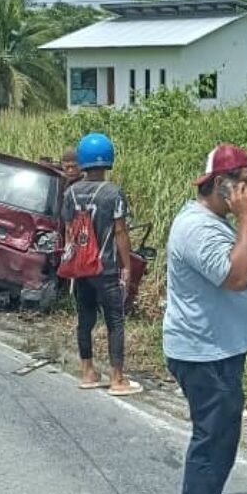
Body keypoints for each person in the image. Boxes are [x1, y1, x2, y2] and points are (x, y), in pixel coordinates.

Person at [164, 144, 247, 494]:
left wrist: (243, 222)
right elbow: (236, 278)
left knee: (222, 432)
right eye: (246, 184)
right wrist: (246, 218)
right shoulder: (196, 228)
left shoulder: (213, 221)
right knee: (214, 436)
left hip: (218, 349)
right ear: (222, 185)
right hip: (204, 353)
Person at [62, 133, 142, 397]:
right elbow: (120, 232)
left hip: (81, 268)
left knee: (84, 320)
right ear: (108, 159)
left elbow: (68, 232)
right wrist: (127, 266)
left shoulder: (70, 193)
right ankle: (117, 378)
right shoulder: (113, 193)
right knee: (115, 322)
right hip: (106, 269)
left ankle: (87, 372)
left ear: (82, 161)